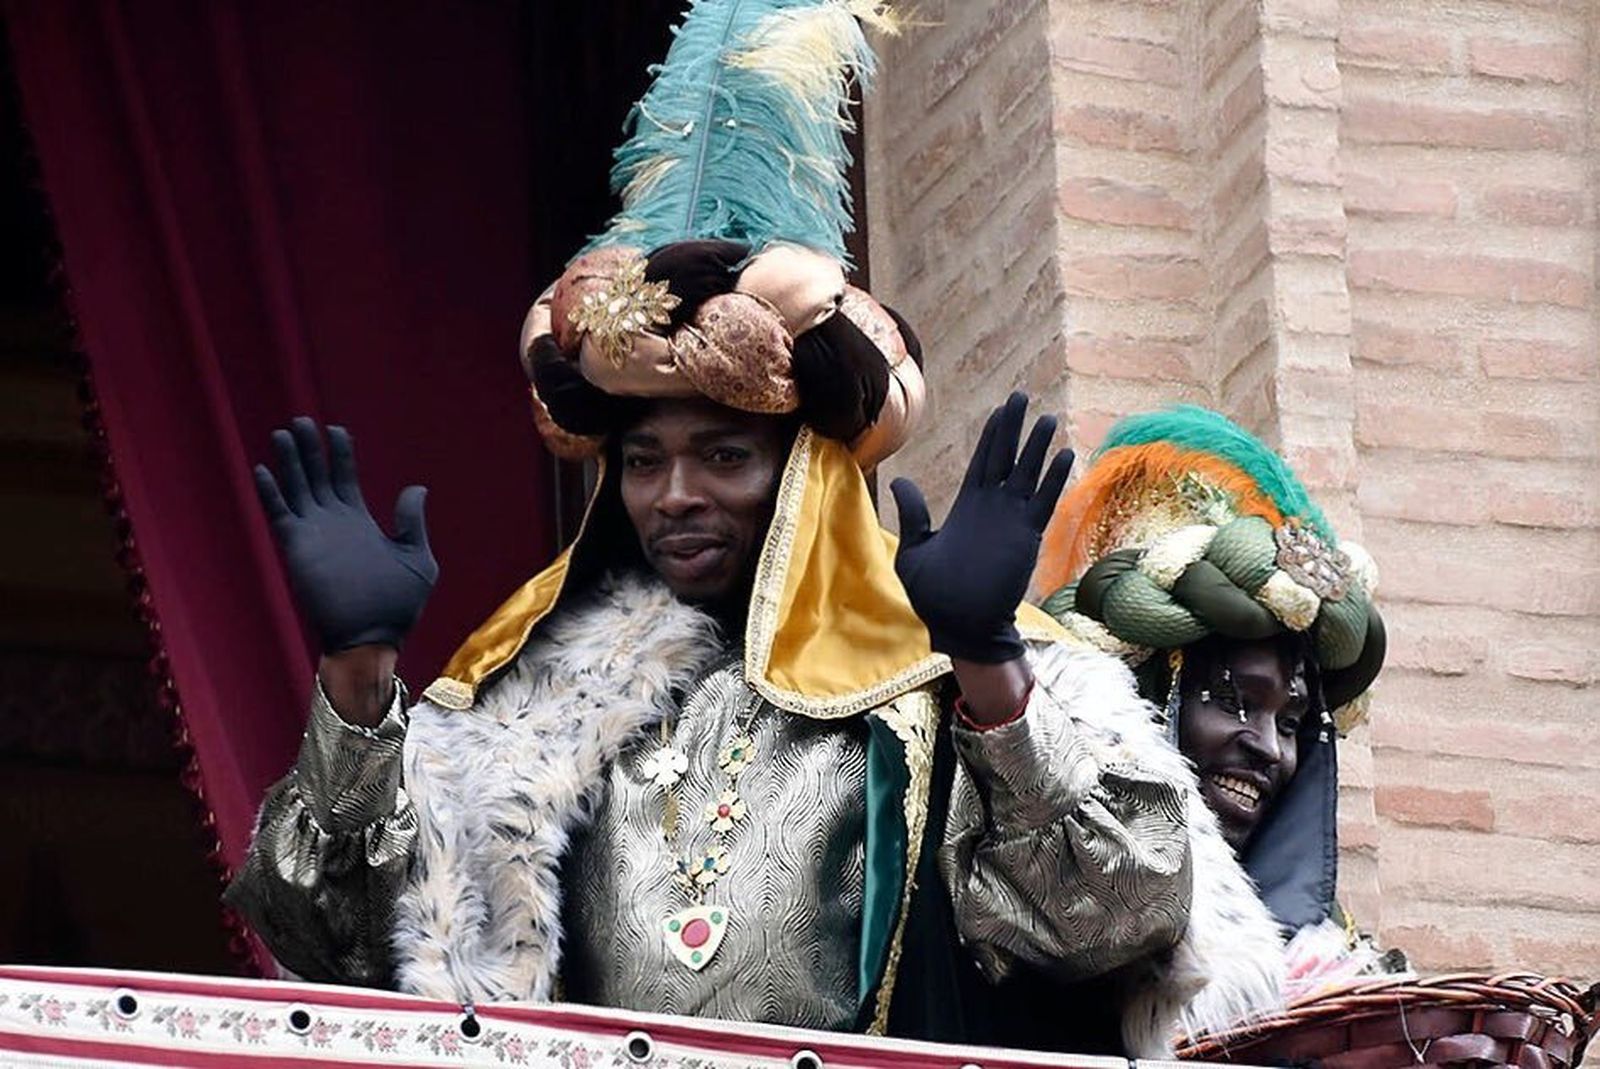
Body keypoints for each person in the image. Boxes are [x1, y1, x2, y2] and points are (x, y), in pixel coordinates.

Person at [225, 2, 1283, 1055]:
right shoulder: (517, 714)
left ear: (805, 475)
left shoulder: (945, 689)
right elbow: (331, 948)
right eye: (641, 461)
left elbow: (1121, 920)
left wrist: (990, 669)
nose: (672, 492)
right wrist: (359, 678)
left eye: (723, 456)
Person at [1033, 406, 1389, 978]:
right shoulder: (1050, 893)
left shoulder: (1336, 966)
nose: (1270, 748)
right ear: (1147, 704)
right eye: (1233, 701)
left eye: (1292, 722)